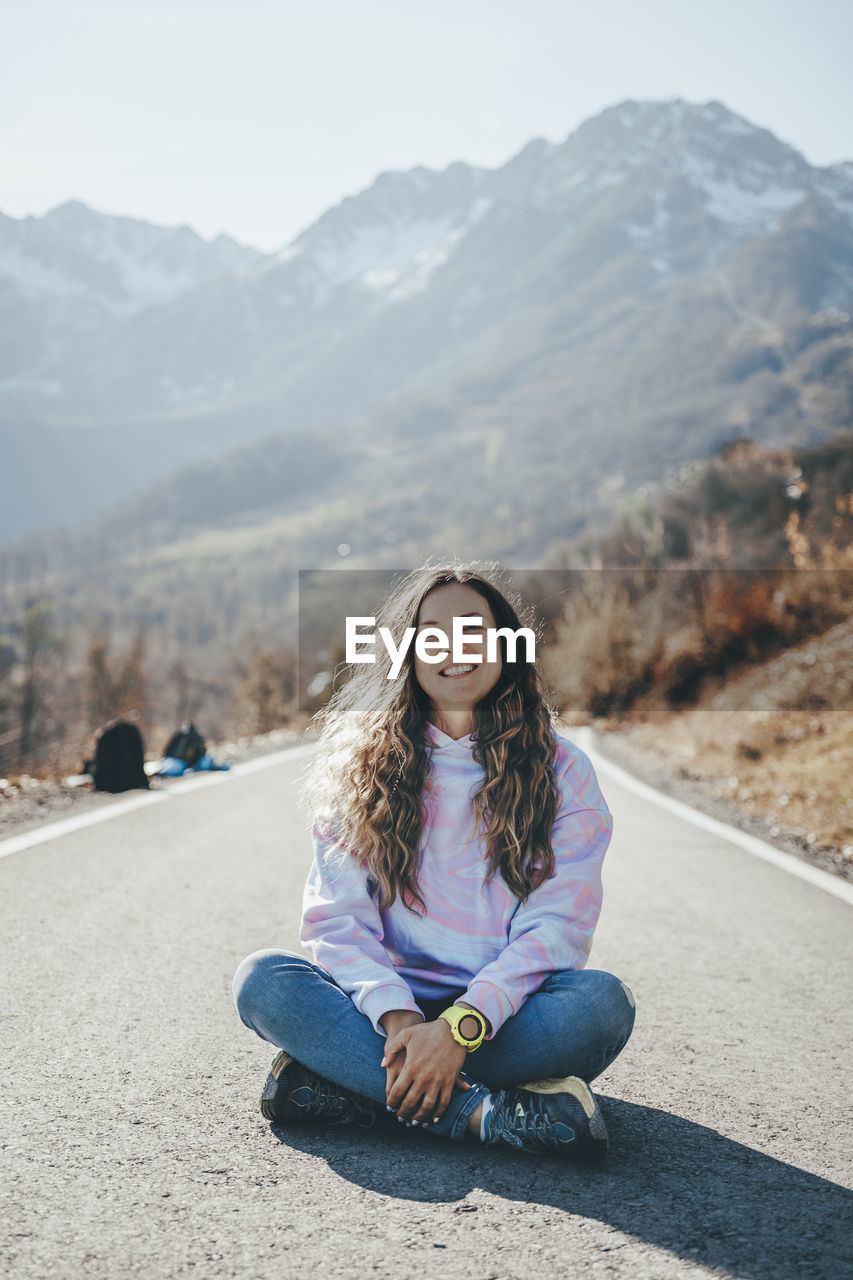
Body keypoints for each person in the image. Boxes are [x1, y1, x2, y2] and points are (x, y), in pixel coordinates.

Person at [232, 563, 636, 1159]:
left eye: (474, 629)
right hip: (378, 1013)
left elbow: (558, 928)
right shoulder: (360, 767)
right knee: (263, 983)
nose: (455, 648)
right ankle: (482, 1116)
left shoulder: (564, 771)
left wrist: (459, 1030)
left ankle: (352, 1089)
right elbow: (337, 921)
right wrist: (400, 1021)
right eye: (433, 633)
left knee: (602, 1006)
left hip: (505, 1016)